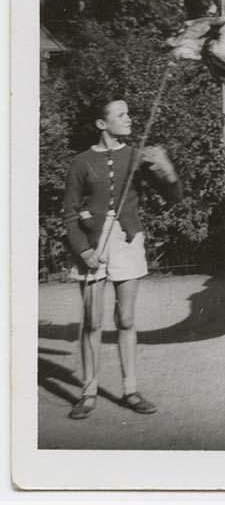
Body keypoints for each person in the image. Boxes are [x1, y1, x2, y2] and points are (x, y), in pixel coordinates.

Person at [63, 96, 182, 420]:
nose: (129, 119)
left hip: (128, 241)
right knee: (92, 321)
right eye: (121, 114)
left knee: (126, 320)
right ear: (102, 124)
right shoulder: (81, 162)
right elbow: (70, 214)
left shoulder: (137, 157)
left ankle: (130, 390)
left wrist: (166, 169)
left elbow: (174, 197)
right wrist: (84, 251)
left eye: (128, 113)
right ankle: (88, 393)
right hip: (92, 244)